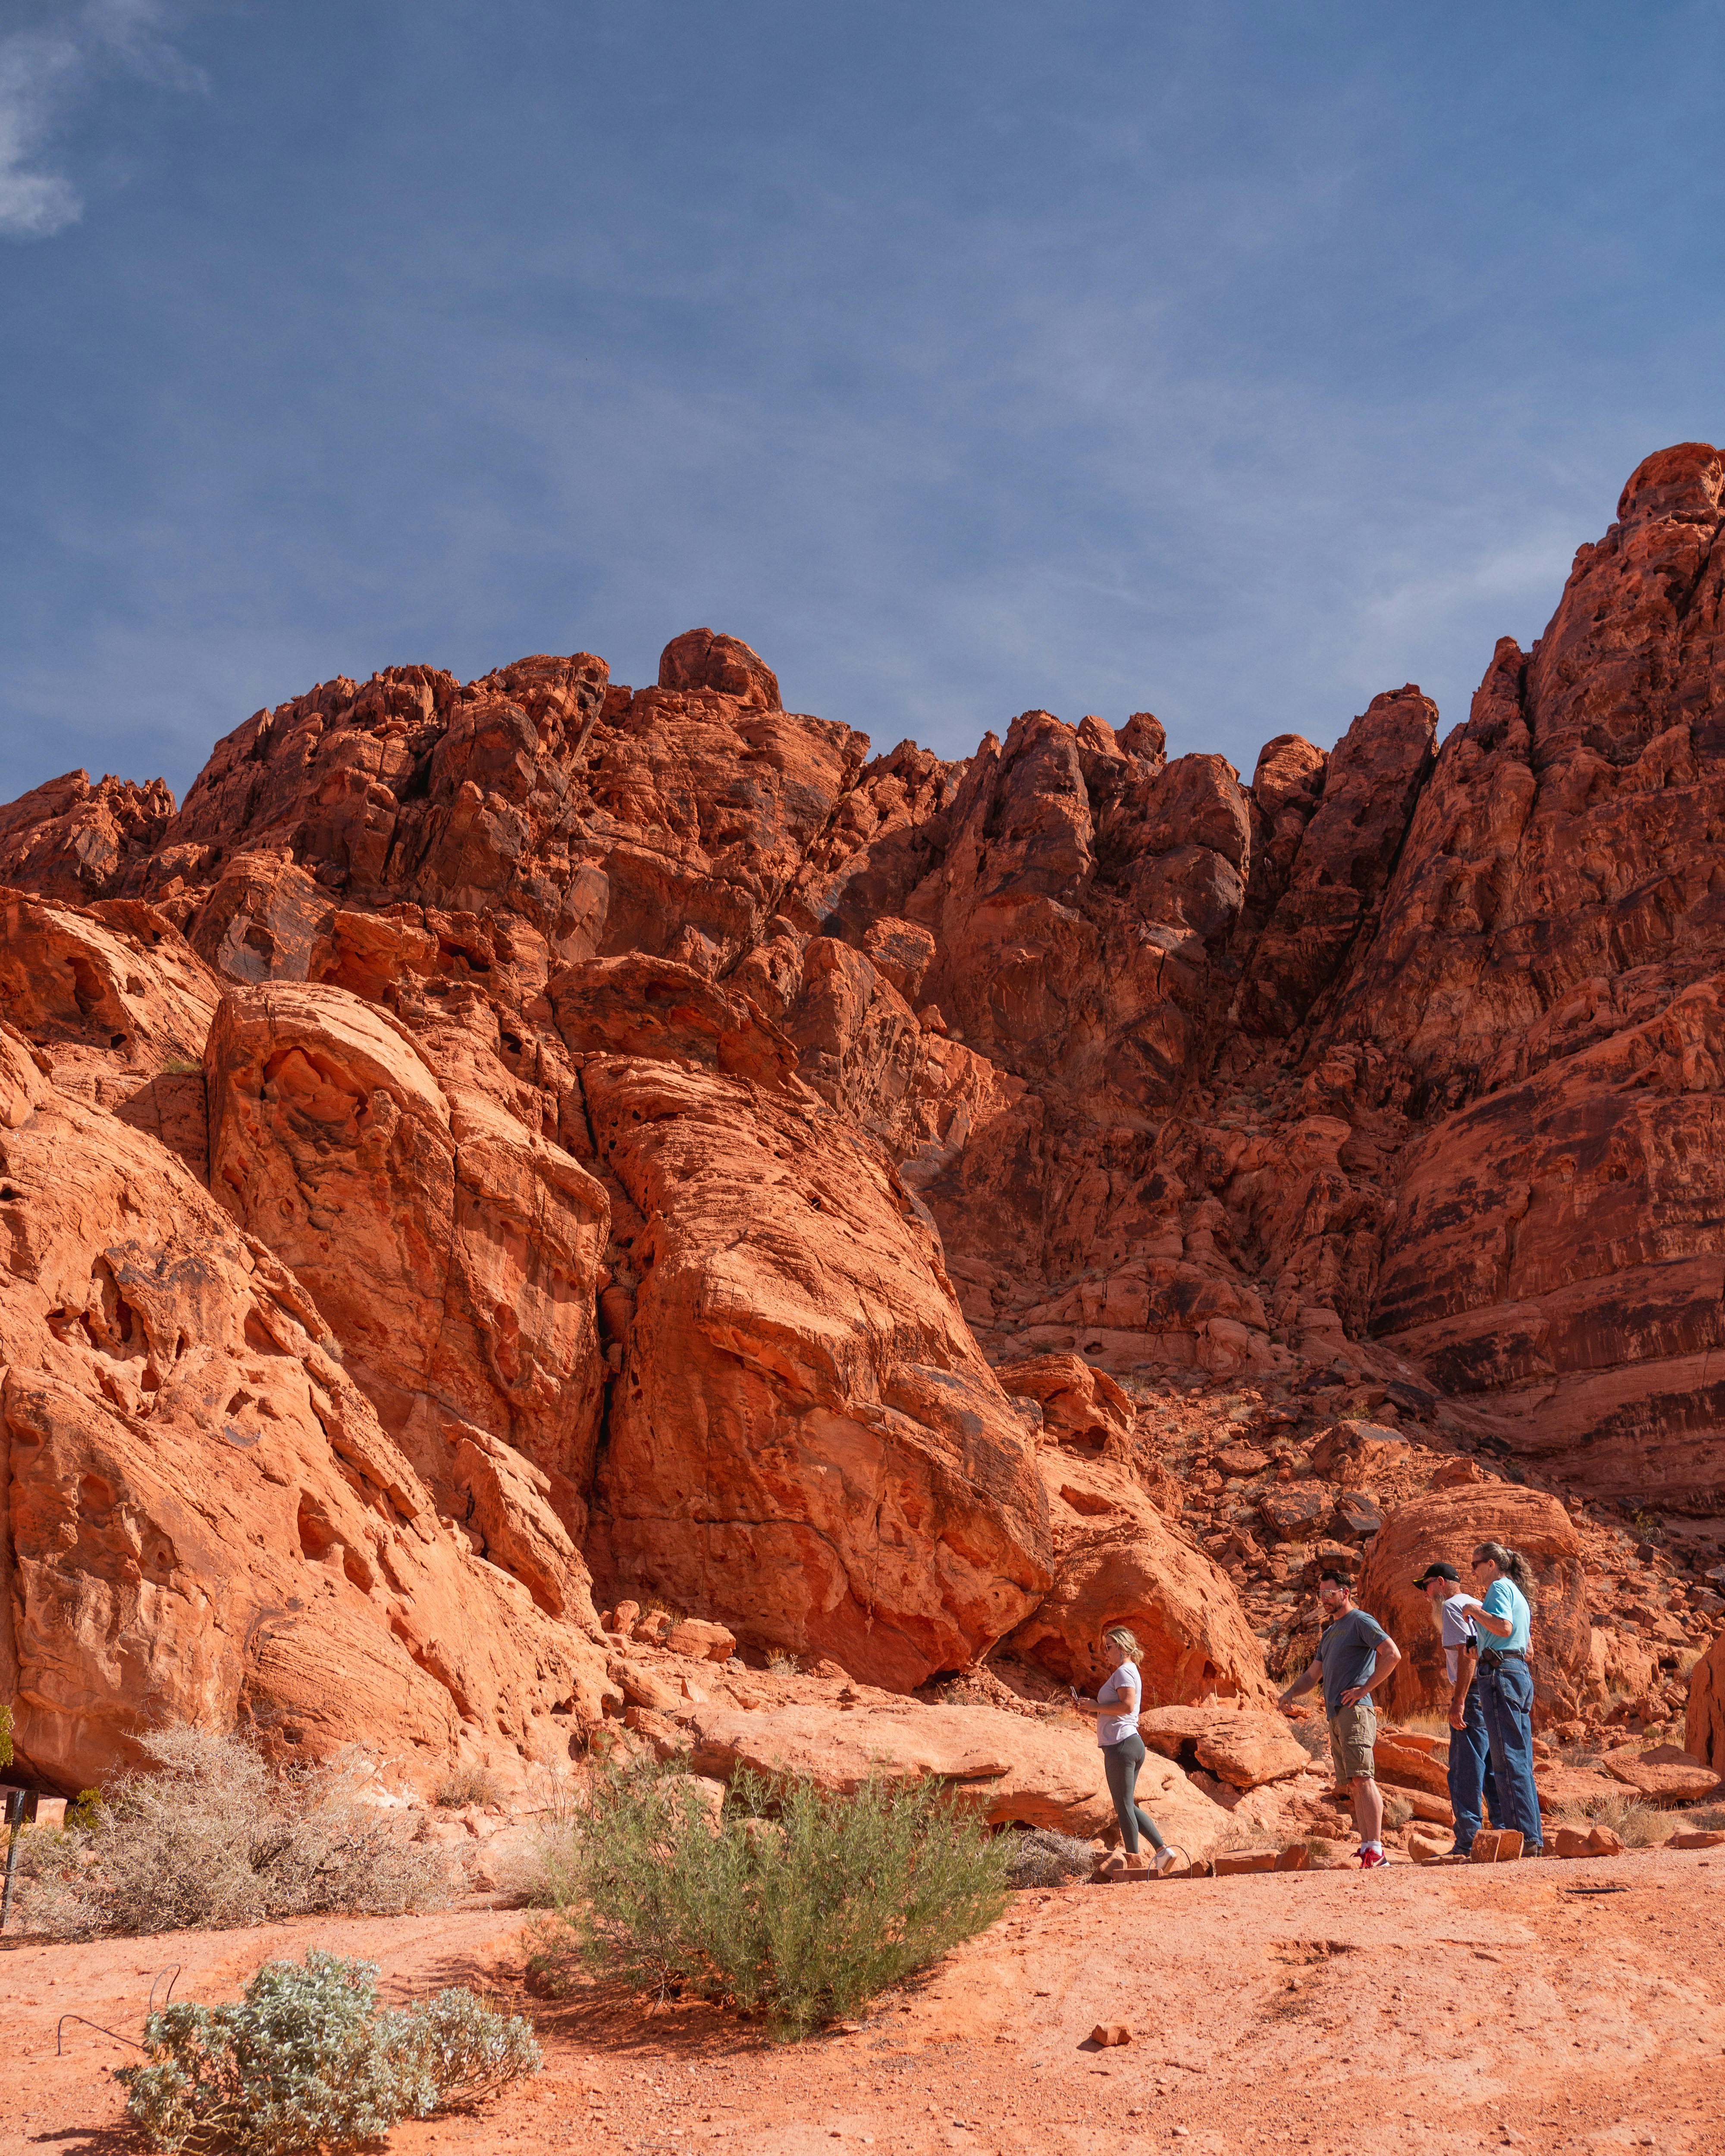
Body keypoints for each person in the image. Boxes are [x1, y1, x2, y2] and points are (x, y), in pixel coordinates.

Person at [1277, 1568, 1402, 1869]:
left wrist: (1364, 1689)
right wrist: (1290, 1693)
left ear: (1345, 1593)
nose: (1324, 1599)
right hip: (1336, 1714)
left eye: (1329, 1593)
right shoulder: (1330, 1632)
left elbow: (1392, 1654)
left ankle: (1377, 1850)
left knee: (1364, 1777)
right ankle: (1366, 1848)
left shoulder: (1360, 1621)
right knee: (1354, 1784)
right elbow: (1312, 1674)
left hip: (1355, 1712)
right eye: (1321, 1594)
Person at [1070, 1627, 1177, 1874]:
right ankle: (1163, 1852)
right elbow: (1117, 1707)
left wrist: (1097, 1705)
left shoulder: (1124, 1671)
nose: (1105, 1652)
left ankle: (1135, 1865)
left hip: (1121, 1745)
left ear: (1122, 1647)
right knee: (1127, 1804)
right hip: (1129, 1744)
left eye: (1108, 1647)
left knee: (1123, 1806)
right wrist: (1093, 1709)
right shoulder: (1127, 1672)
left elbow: (1127, 1706)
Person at [1414, 1561, 1497, 1856]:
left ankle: (1468, 1842)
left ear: (1440, 1582)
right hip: (1491, 1689)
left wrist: (1459, 1700)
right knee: (1489, 1767)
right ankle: (1502, 1834)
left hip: (1472, 1693)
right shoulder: (1477, 1604)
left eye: (1427, 1587)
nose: (1427, 1595)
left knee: (1464, 1767)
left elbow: (1468, 1652)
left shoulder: (1451, 1607)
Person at [1468, 1541, 1544, 1856]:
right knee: (1520, 1758)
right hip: (1517, 1674)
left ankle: (1521, 1839)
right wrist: (1479, 1646)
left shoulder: (1498, 1587)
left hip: (1499, 1676)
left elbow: (1503, 1626)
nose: (1472, 1571)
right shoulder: (1518, 1594)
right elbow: (1526, 1649)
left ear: (1490, 1564)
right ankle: (1532, 1837)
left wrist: (1473, 1610)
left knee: (1506, 1760)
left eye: (1475, 1564)